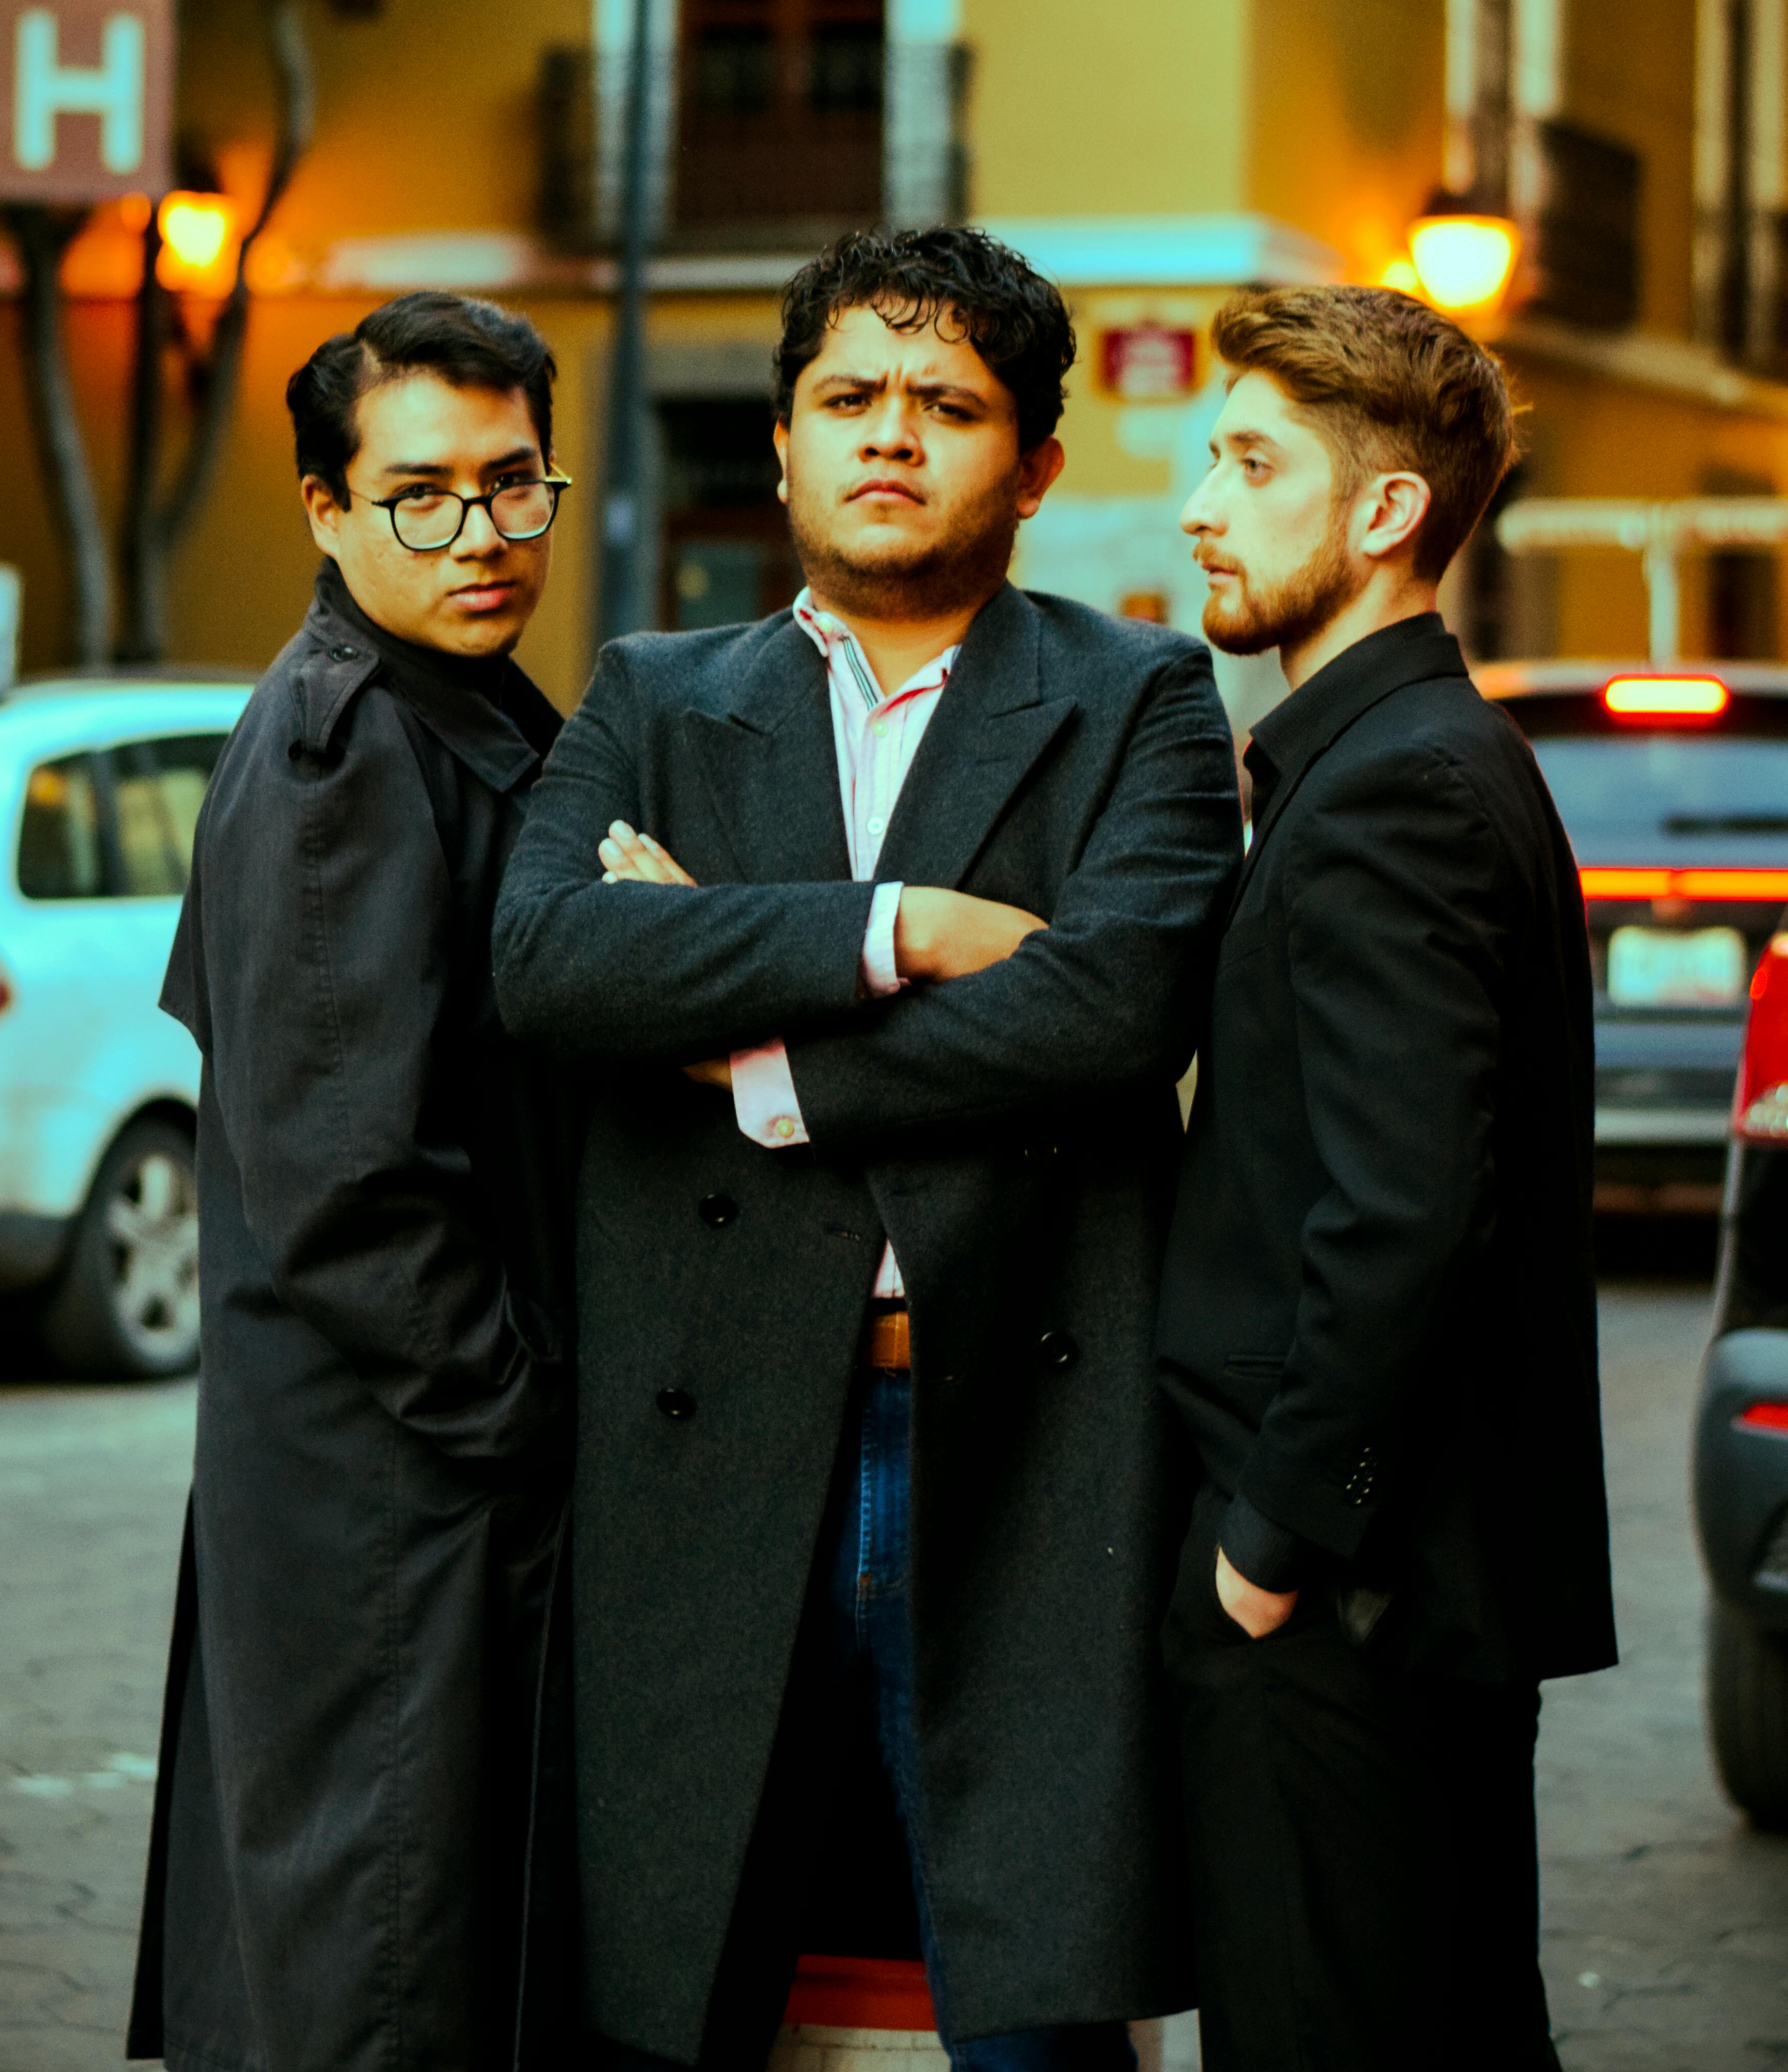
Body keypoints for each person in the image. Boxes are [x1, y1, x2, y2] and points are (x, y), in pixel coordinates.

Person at [493, 226, 1244, 2072]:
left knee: (1033, 2011)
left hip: (1023, 1429)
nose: (889, 437)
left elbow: (1114, 1011)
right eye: (848, 399)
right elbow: (547, 958)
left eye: (947, 405)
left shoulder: (1139, 693)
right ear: (783, 444)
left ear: (1038, 467)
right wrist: (895, 922)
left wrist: (752, 1051)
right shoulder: (655, 695)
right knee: (675, 1994)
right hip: (709, 1429)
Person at [1158, 285, 1616, 2072]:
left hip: (1347, 1606)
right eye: (1211, 454)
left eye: (1253, 462)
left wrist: (1271, 1543)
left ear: (1385, 512)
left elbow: (1409, 1207)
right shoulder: (1400, 758)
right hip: (1386, 1596)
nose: (1204, 501)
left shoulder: (1394, 790)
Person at [128, 292, 578, 2072]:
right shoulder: (343, 745)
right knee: (377, 1969)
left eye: (514, 487)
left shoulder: (450, 698)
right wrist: (530, 1419)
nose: (480, 538)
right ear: (325, 507)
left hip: (405, 1476)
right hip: (393, 1489)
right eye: (421, 498)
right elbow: (342, 1187)